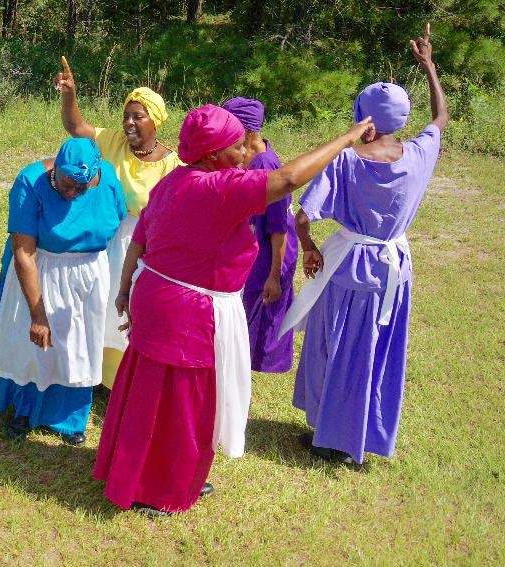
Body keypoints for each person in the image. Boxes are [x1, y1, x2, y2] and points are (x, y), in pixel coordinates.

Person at [93, 104, 374, 517]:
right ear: (211, 155)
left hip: (156, 295)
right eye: (237, 146)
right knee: (182, 402)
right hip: (188, 311)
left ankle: (142, 472)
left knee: (150, 392)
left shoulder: (174, 180)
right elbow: (289, 178)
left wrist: (124, 289)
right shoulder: (218, 188)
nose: (246, 153)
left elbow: (140, 241)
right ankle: (156, 488)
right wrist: (347, 139)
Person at [281, 25, 448, 465]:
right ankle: (360, 432)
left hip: (349, 267)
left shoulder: (346, 160)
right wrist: (429, 66)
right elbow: (441, 118)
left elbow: (301, 215)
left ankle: (329, 437)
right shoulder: (418, 155)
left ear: (363, 119)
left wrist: (311, 248)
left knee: (337, 346)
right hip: (394, 268)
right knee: (374, 352)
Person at [0, 138, 126, 444]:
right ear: (56, 167)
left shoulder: (108, 177)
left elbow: (117, 221)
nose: (73, 192)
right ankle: (25, 410)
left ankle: (70, 419)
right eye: (66, 183)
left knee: (79, 346)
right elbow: (23, 252)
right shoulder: (30, 181)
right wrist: (38, 314)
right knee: (36, 346)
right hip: (43, 267)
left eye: (81, 187)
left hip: (90, 273)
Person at [55, 56, 181, 389]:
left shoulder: (173, 164)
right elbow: (76, 128)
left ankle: (122, 382)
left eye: (138, 117)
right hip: (105, 238)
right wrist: (70, 94)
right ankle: (91, 375)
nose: (129, 122)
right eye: (126, 115)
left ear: (155, 121)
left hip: (142, 248)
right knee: (96, 303)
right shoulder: (112, 142)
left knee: (128, 311)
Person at [222, 97, 297, 373]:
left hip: (270, 254)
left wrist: (274, 275)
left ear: (248, 129)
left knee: (253, 323)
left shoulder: (266, 166)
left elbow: (278, 229)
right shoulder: (241, 156)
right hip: (251, 248)